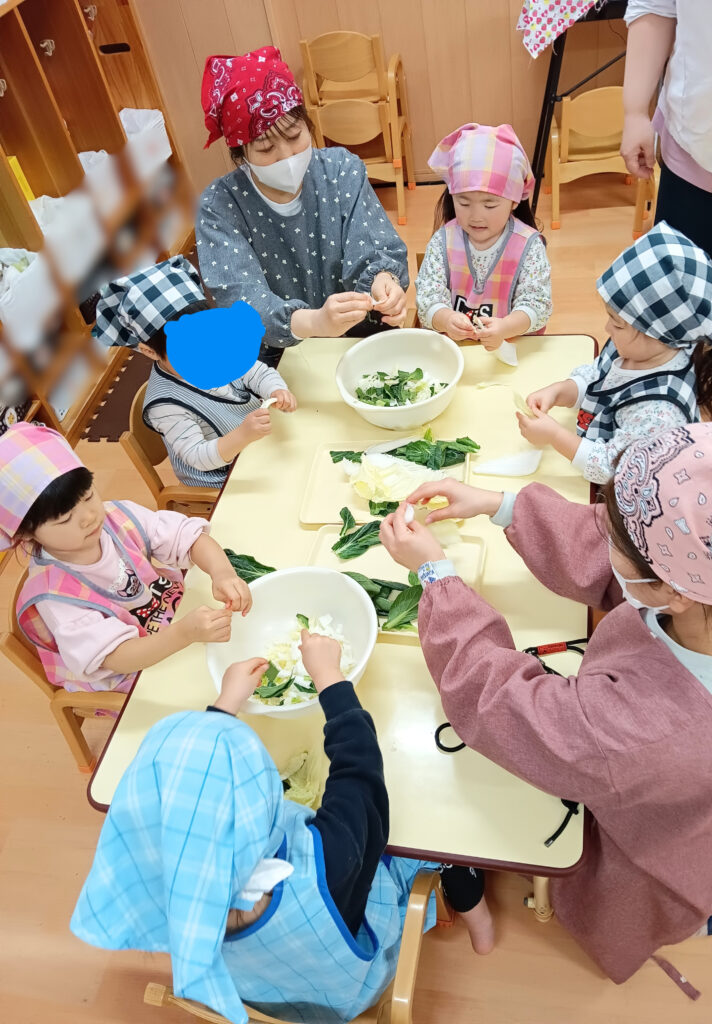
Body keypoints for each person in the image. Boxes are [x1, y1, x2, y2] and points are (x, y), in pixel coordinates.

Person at [378, 419, 712, 995]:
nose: (601, 536)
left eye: (616, 537)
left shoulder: (647, 729)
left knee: (640, 898)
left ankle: (690, 908)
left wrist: (436, 576)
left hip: (659, 837)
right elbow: (623, 552)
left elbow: (502, 706)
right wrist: (499, 504)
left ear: (675, 590)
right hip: (704, 793)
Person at [71, 631, 492, 1024]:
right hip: (350, 989)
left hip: (263, 992)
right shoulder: (326, 863)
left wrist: (226, 703)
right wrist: (330, 678)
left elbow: (189, 799)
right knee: (441, 839)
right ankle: (481, 926)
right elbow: (361, 775)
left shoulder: (168, 897)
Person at [197, 47, 409, 367]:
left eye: (295, 135)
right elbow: (240, 301)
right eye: (265, 148)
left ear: (308, 125)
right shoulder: (221, 206)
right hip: (276, 355)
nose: (287, 156)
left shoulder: (340, 170)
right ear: (240, 154)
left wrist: (383, 281)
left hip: (357, 337)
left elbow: (372, 245)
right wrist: (313, 322)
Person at [1, 421, 249, 693]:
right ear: (26, 533)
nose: (89, 517)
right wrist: (183, 633)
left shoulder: (116, 517)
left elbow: (187, 538)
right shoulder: (54, 597)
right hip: (132, 673)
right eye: (65, 519)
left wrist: (222, 573)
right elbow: (117, 657)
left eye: (88, 496)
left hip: (174, 622)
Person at [620, 1, 712, 410]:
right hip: (695, 135)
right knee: (668, 293)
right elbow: (655, 8)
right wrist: (634, 111)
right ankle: (657, 406)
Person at [520, 223, 712, 483]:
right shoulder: (634, 348)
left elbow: (614, 469)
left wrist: (555, 436)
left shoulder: (660, 413)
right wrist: (562, 390)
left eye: (617, 324)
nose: (607, 329)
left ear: (658, 333)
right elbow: (599, 375)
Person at [94, 256, 297, 488]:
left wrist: (276, 389)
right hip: (222, 475)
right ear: (149, 351)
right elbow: (197, 457)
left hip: (253, 446)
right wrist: (242, 435)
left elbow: (256, 372)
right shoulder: (165, 406)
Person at [416, 122, 552, 364]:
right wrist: (446, 319)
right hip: (454, 356)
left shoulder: (528, 246)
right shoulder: (443, 241)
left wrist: (506, 327)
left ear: (514, 201)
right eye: (464, 202)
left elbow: (538, 304)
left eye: (490, 204)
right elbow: (428, 296)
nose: (476, 216)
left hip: (512, 351)